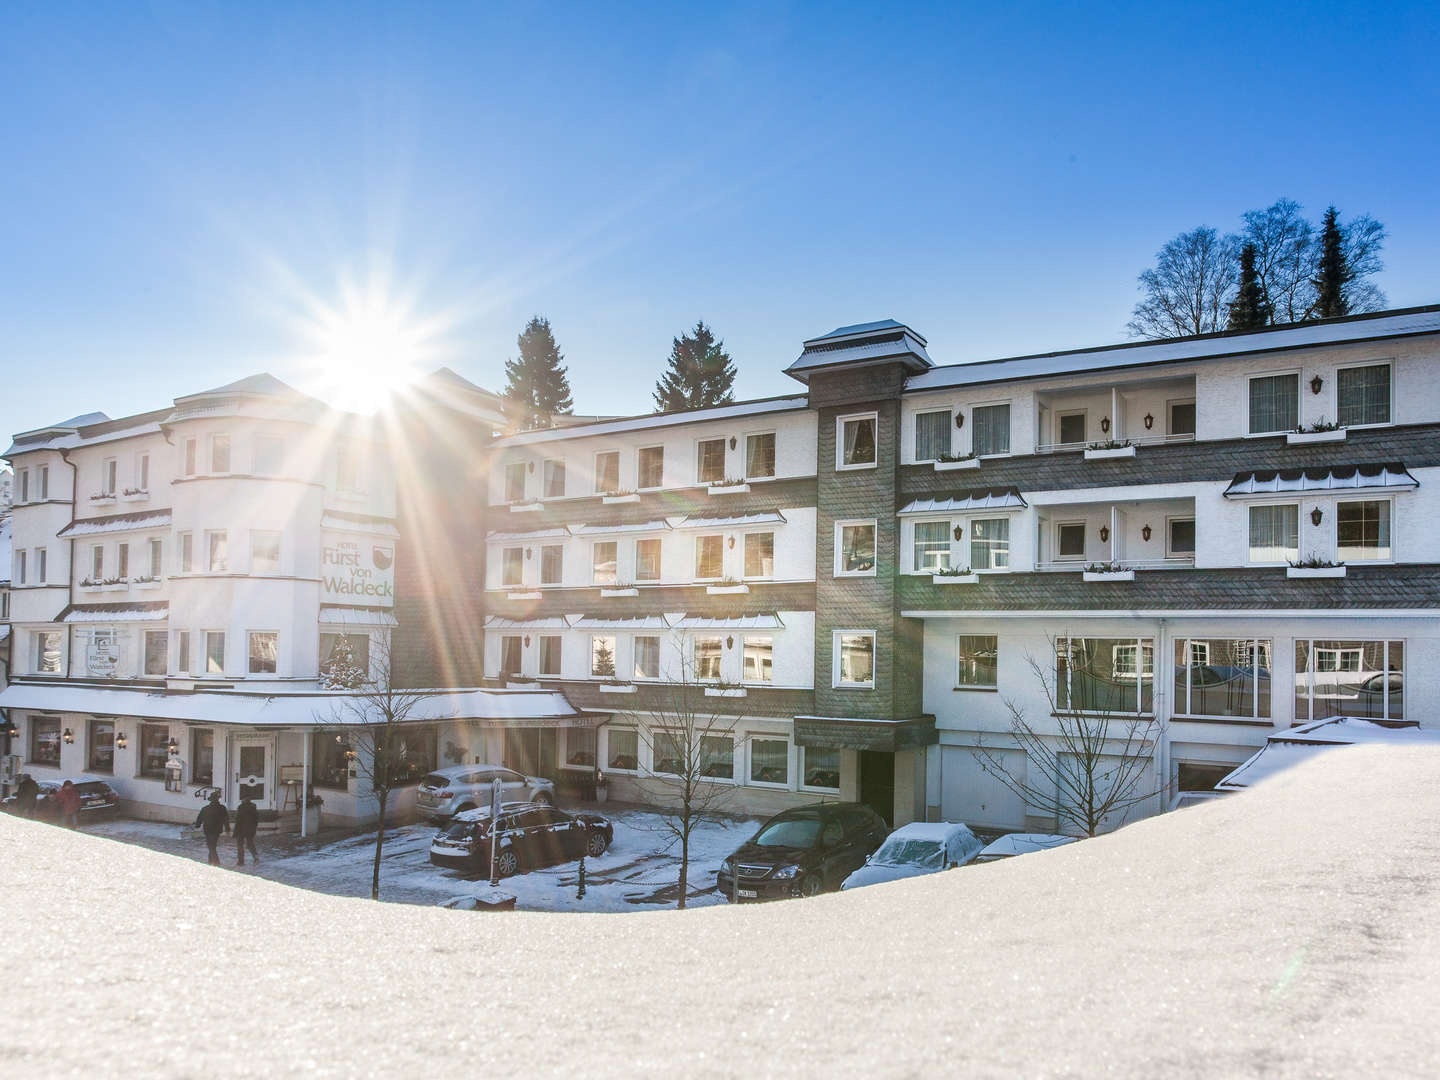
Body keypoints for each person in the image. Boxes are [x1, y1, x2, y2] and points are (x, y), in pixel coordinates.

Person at [193, 790, 230, 866]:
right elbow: (226, 819)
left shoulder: (205, 808)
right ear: (217, 799)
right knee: (212, 845)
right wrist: (227, 828)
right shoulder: (222, 808)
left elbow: (200, 818)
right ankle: (210, 861)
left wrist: (197, 825)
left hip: (208, 829)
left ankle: (216, 862)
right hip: (217, 830)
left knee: (211, 846)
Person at [234, 794, 260, 866]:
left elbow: (238, 820)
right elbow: (256, 819)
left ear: (243, 800)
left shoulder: (241, 807)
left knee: (240, 845)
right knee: (250, 844)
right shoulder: (253, 807)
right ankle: (255, 856)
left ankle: (241, 861)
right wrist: (254, 829)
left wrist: (235, 831)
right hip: (250, 830)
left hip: (241, 829)